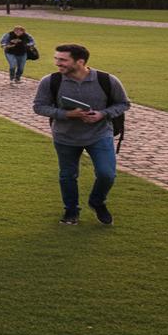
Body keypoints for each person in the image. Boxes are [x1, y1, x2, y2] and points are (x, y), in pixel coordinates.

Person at [32, 44, 131, 226]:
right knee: (68, 175)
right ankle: (71, 211)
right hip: (65, 137)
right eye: (57, 59)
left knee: (107, 174)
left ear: (80, 61)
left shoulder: (106, 80)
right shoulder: (51, 81)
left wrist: (102, 114)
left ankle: (97, 201)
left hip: (100, 134)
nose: (57, 63)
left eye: (63, 60)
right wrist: (67, 114)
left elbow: (124, 104)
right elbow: (39, 106)